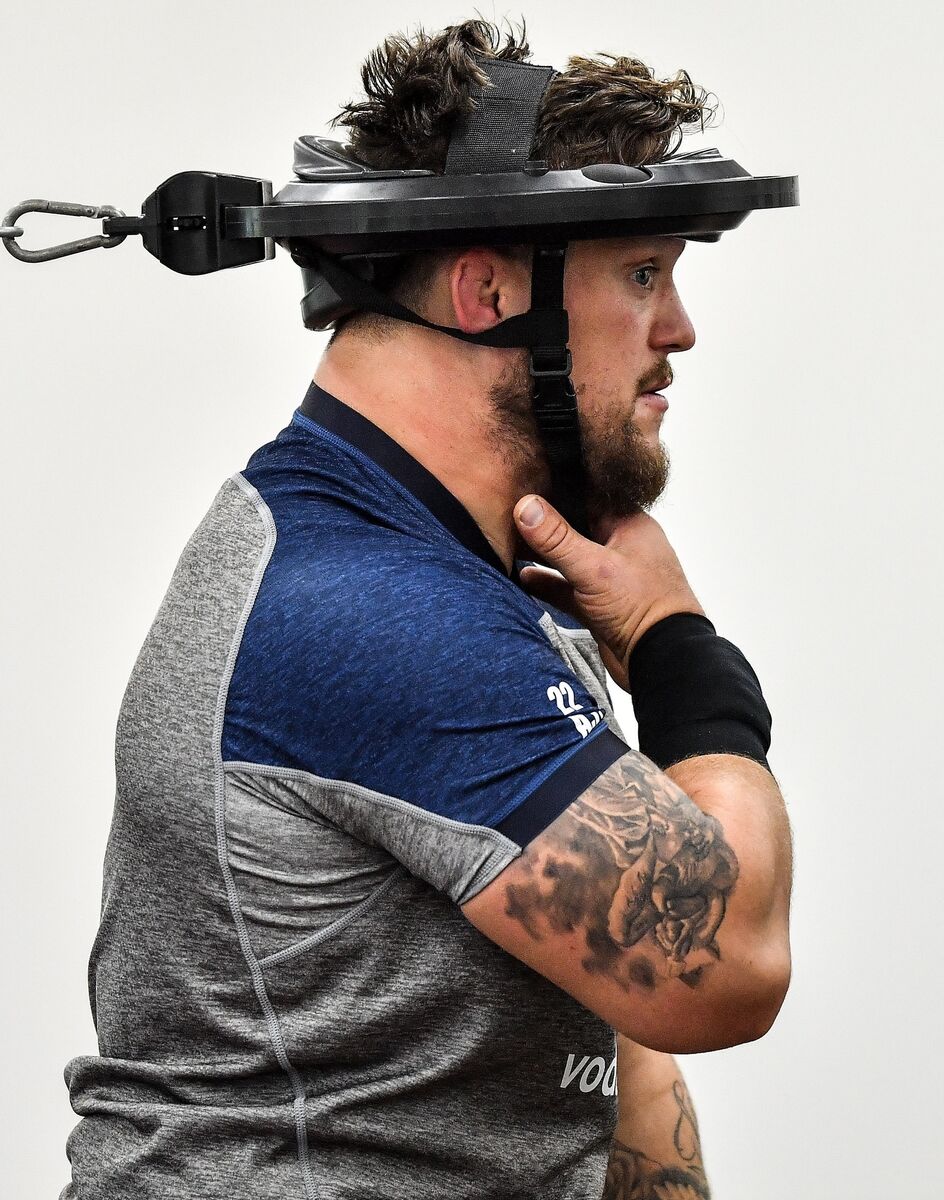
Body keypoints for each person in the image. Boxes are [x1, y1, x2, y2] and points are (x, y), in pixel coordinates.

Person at [60, 19, 793, 1200]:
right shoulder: (370, 611)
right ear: (487, 289)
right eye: (643, 276)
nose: (678, 331)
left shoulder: (443, 572)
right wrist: (679, 654)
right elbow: (724, 961)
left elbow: (612, 1030)